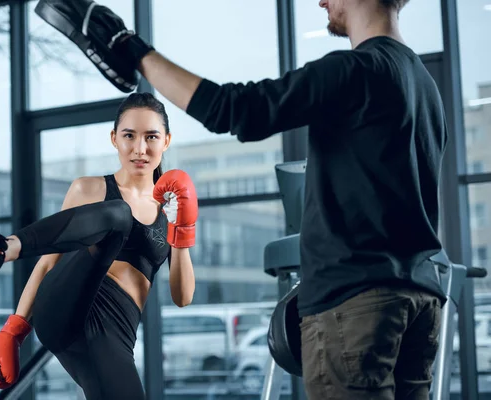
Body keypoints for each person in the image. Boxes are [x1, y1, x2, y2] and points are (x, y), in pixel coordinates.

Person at [32, 0, 448, 399]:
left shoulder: (355, 69)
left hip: (359, 305)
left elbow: (234, 108)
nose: (322, 2)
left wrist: (130, 47)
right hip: (420, 301)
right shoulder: (425, 86)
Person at [0, 93, 198, 399]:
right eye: (129, 135)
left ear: (167, 141)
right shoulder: (89, 189)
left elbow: (182, 297)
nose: (140, 148)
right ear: (114, 138)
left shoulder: (172, 208)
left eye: (151, 137)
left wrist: (181, 229)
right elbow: (48, 263)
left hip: (114, 333)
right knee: (119, 214)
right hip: (65, 304)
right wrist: (14, 330)